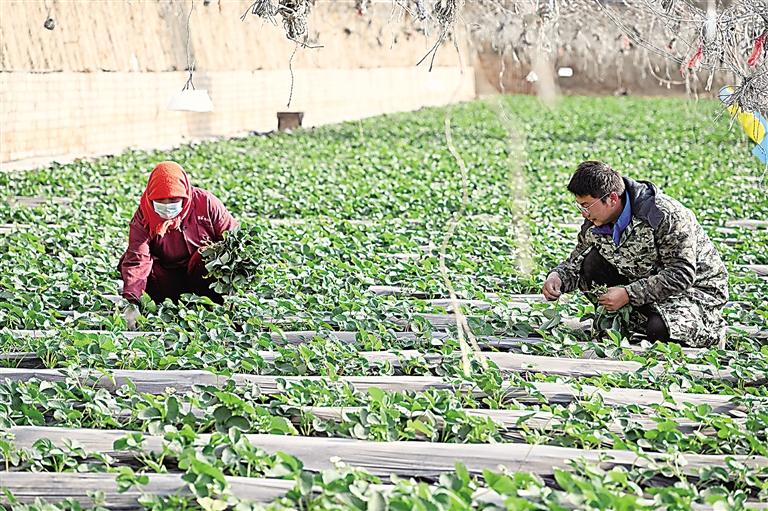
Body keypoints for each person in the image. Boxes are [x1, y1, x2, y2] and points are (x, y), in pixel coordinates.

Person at [541, 160, 728, 348]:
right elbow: (577, 260)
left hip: (695, 292)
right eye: (580, 206)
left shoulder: (665, 215)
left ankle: (709, 329)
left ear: (612, 198)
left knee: (659, 330)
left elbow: (682, 274)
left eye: (587, 205)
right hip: (644, 284)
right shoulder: (594, 221)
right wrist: (558, 277)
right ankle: (634, 322)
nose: (583, 213)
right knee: (591, 263)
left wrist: (628, 294)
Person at [118, 161, 237, 328]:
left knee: (211, 254)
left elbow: (234, 239)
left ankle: (212, 303)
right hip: (168, 282)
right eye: (160, 200)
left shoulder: (206, 203)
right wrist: (131, 302)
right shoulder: (144, 215)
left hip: (205, 278)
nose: (167, 206)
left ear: (185, 195)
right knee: (136, 265)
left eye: (173, 199)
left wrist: (236, 288)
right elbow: (138, 258)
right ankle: (169, 304)